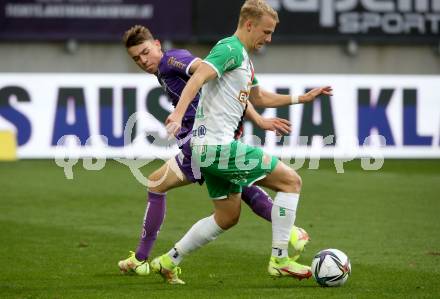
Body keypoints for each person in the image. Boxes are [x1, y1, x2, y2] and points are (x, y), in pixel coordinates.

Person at [150, 0, 333, 284]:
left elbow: (259, 97)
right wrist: (176, 112)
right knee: (291, 181)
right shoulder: (229, 48)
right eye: (266, 31)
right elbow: (197, 77)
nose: (269, 38)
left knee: (227, 216)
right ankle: (280, 258)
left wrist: (302, 98)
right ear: (249, 25)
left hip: (205, 149)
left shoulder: (244, 60)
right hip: (217, 146)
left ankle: (168, 260)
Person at [117, 25, 310, 277]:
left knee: (156, 183)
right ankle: (289, 230)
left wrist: (179, 114)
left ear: (157, 44)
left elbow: (206, 72)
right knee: (231, 206)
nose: (143, 60)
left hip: (203, 139)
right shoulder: (164, 70)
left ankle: (141, 259)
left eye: (145, 52)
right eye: (136, 58)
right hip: (206, 136)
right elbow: (228, 88)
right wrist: (259, 120)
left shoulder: (172, 60)